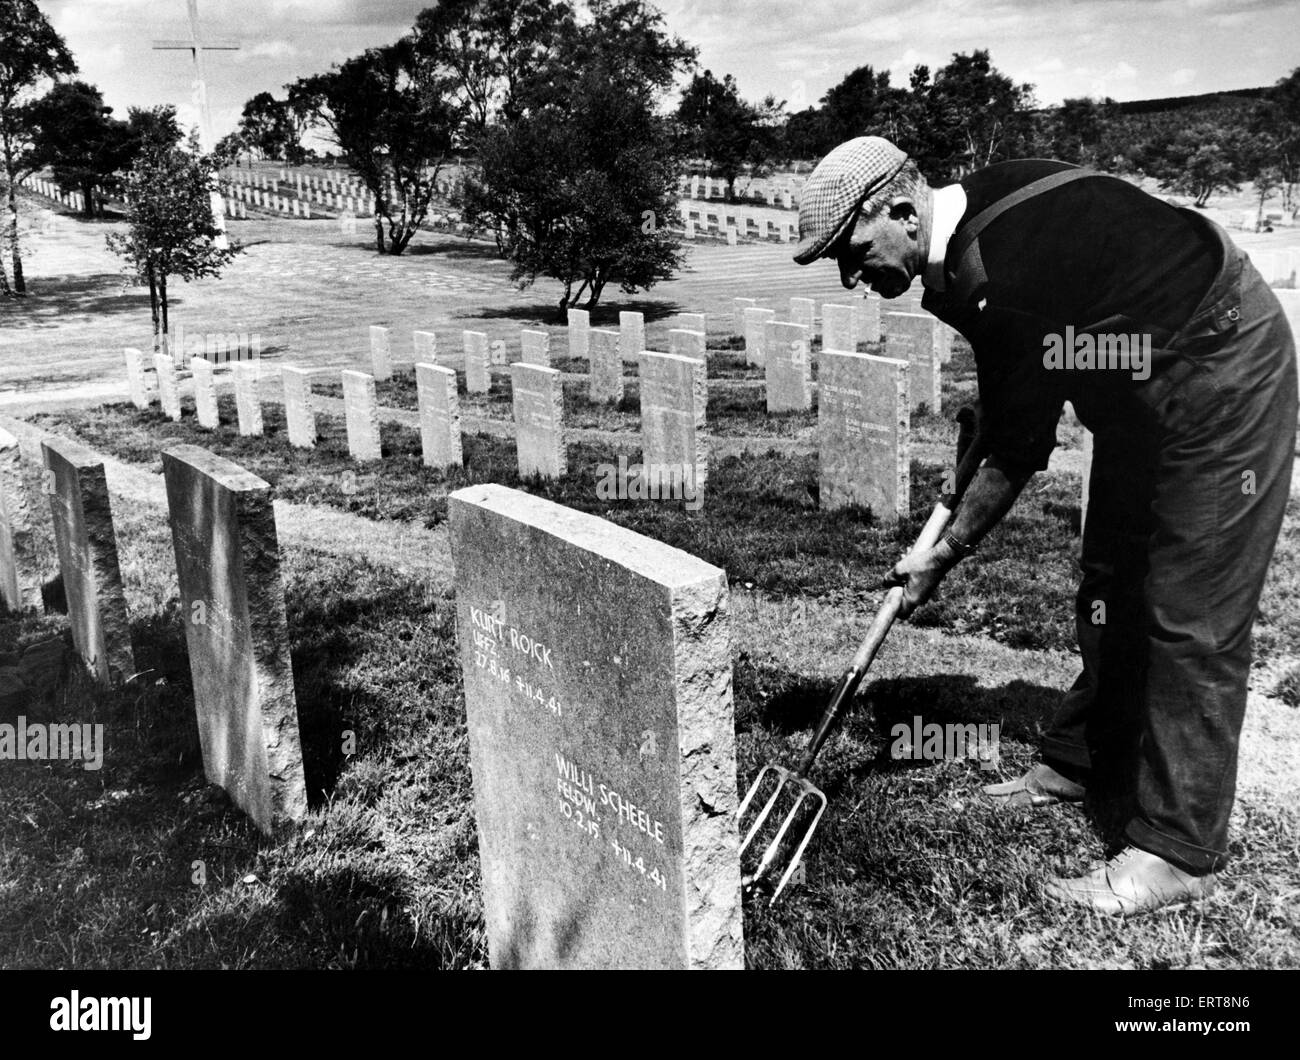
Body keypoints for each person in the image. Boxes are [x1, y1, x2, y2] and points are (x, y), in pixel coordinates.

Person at [792, 136, 1297, 915]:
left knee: (1190, 612)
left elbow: (1021, 445)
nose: (851, 276)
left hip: (1218, 366)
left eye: (851, 252)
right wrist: (996, 417)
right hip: (1132, 384)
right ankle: (1080, 761)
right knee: (1110, 583)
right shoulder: (970, 227)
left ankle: (1177, 849)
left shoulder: (1004, 269)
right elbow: (1022, 380)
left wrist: (944, 552)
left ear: (899, 208)